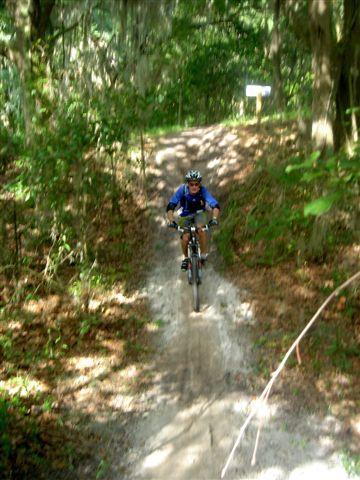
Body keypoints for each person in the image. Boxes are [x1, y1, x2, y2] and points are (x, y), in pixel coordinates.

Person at [166, 170, 220, 270]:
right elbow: (171, 206)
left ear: (199, 184)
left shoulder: (203, 191)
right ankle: (185, 258)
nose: (194, 186)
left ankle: (203, 255)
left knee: (201, 230)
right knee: (185, 236)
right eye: (191, 184)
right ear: (188, 184)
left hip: (199, 213)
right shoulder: (182, 190)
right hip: (185, 214)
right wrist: (170, 220)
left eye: (196, 184)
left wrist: (214, 218)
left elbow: (215, 205)